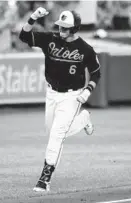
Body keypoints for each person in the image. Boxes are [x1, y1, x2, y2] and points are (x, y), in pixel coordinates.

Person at [19, 7, 101, 192]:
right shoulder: (50, 39)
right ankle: (84, 118)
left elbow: (96, 74)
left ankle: (45, 179)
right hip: (52, 94)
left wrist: (88, 90)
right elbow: (24, 37)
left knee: (56, 135)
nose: (60, 30)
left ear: (74, 29)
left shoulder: (85, 49)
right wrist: (32, 18)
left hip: (72, 96)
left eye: (65, 28)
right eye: (60, 27)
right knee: (54, 131)